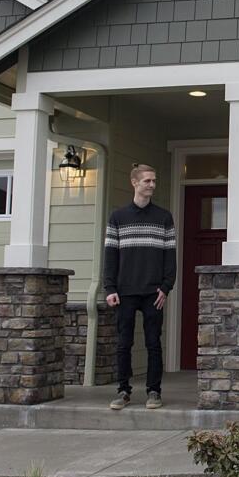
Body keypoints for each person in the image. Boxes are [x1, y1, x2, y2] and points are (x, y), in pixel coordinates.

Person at [104, 163, 175, 411]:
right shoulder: (118, 218)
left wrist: (166, 288)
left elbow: (170, 258)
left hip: (153, 292)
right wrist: (109, 288)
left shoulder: (164, 218)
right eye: (148, 181)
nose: (152, 185)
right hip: (124, 292)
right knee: (124, 343)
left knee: (153, 343)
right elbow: (110, 256)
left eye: (154, 181)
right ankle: (123, 391)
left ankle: (154, 391)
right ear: (134, 183)